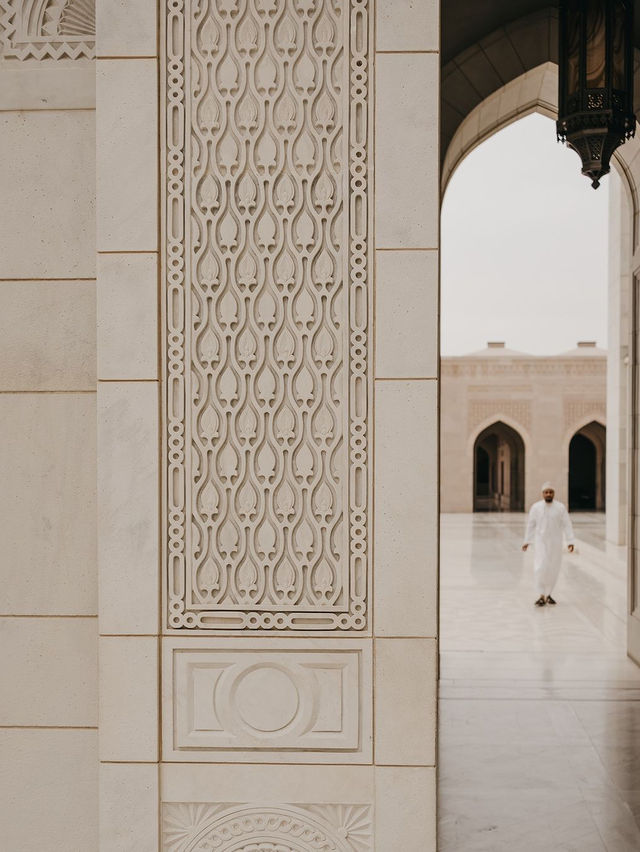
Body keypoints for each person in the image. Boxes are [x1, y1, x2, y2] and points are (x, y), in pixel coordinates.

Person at [522, 482, 575, 607]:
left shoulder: (560, 508)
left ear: (554, 493)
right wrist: (527, 541)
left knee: (553, 568)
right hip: (540, 542)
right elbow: (531, 525)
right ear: (542, 494)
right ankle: (541, 594)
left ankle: (549, 593)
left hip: (556, 542)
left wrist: (570, 541)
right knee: (540, 567)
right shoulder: (536, 507)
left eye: (551, 492)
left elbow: (567, 524)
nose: (548, 494)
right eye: (546, 492)